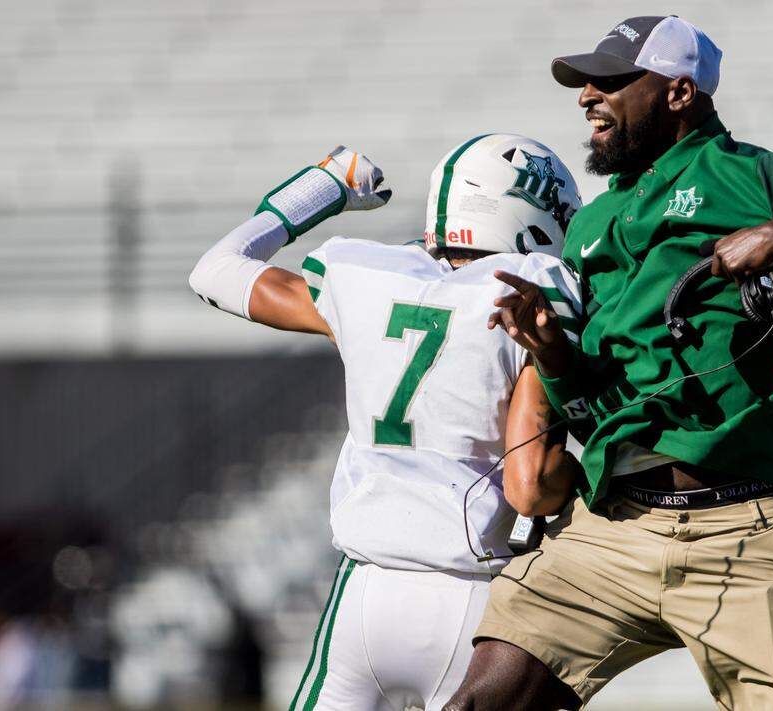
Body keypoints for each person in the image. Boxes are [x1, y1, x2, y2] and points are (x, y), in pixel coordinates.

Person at [446, 16, 773, 711]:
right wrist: (552, 350)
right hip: (608, 526)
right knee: (481, 703)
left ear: (680, 93)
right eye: (587, 82)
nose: (587, 95)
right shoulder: (592, 224)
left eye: (612, 79)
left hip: (741, 532)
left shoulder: (765, 180)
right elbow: (590, 404)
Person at [188, 135, 585, 711]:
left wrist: (322, 188)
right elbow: (531, 486)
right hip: (478, 601)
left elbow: (215, 271)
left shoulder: (367, 278)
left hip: (365, 593)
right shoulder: (531, 298)